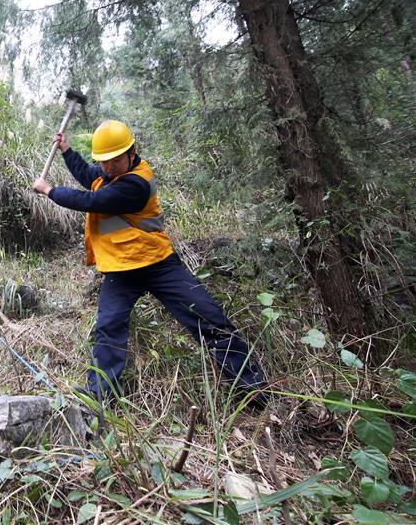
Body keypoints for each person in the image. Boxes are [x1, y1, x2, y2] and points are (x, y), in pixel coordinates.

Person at [33, 120, 267, 405]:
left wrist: (50, 190)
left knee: (209, 318)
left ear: (131, 153)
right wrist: (67, 150)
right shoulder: (109, 174)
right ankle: (100, 395)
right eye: (104, 162)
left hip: (157, 264)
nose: (108, 167)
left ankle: (253, 389)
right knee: (109, 326)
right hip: (121, 270)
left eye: (115, 161)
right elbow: (87, 175)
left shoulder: (135, 183)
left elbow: (92, 200)